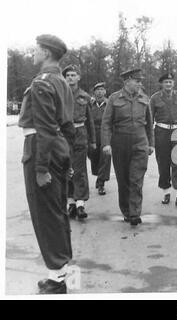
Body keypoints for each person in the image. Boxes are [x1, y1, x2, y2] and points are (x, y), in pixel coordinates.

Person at [18, 34, 75, 294]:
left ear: (47, 53)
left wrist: (41, 169)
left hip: (43, 150)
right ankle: (61, 270)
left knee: (45, 214)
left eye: (36, 50)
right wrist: (68, 159)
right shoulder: (61, 81)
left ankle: (56, 279)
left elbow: (44, 128)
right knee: (57, 211)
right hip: (58, 150)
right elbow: (68, 127)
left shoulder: (42, 82)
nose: (33, 54)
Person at [101, 68, 154, 226]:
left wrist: (151, 144)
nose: (140, 84)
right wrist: (106, 144)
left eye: (140, 81)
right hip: (120, 144)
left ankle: (135, 213)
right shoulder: (114, 98)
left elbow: (149, 124)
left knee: (136, 180)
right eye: (137, 81)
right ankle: (126, 210)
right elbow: (106, 123)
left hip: (140, 143)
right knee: (123, 180)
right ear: (127, 81)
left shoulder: (144, 98)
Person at [150, 72, 177, 206]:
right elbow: (150, 118)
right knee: (163, 163)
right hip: (161, 131)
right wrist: (150, 137)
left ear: (173, 83)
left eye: (170, 82)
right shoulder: (155, 98)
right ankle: (166, 192)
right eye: (166, 82)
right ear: (161, 84)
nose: (168, 84)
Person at [63, 65, 96, 220]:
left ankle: (81, 204)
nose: (70, 77)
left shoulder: (85, 97)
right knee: (66, 169)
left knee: (80, 170)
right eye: (68, 75)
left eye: (73, 75)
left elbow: (90, 121)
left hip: (80, 134)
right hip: (63, 135)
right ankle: (70, 203)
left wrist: (93, 141)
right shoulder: (59, 95)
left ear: (78, 77)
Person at [88, 82, 111, 195]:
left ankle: (101, 183)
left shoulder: (109, 104)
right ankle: (98, 176)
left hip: (105, 133)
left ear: (105, 92)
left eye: (102, 89)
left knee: (105, 158)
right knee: (94, 157)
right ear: (94, 92)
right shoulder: (90, 104)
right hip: (92, 133)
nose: (100, 92)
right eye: (97, 90)